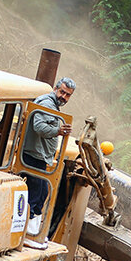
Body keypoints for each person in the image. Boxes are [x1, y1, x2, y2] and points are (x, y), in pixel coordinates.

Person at [21, 76, 75, 235]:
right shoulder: (46, 103)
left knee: (41, 192)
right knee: (37, 194)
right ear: (55, 89)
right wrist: (58, 131)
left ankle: (31, 229)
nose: (63, 97)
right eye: (62, 92)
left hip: (39, 155)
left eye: (67, 95)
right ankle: (27, 231)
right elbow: (39, 127)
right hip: (34, 155)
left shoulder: (52, 105)